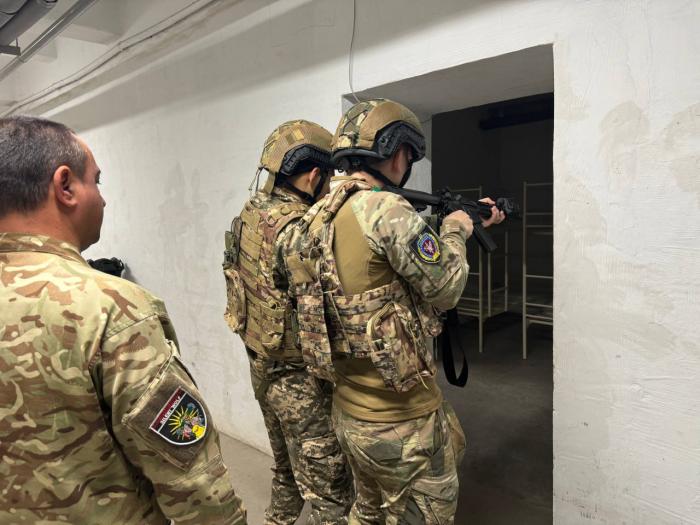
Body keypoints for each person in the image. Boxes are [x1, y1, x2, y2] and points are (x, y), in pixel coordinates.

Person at [0, 116, 247, 525]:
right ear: (65, 186)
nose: (103, 199)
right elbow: (192, 483)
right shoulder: (111, 308)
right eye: (96, 181)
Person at [284, 99, 505, 524]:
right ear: (399, 152)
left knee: (367, 513)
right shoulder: (386, 210)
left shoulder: (316, 216)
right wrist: (456, 230)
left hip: (350, 413)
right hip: (402, 425)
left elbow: (372, 271)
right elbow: (446, 288)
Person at [222, 120, 353, 525]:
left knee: (284, 465)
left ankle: (279, 520)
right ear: (314, 176)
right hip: (296, 378)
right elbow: (327, 311)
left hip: (260, 365)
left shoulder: (249, 214)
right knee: (330, 486)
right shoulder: (297, 230)